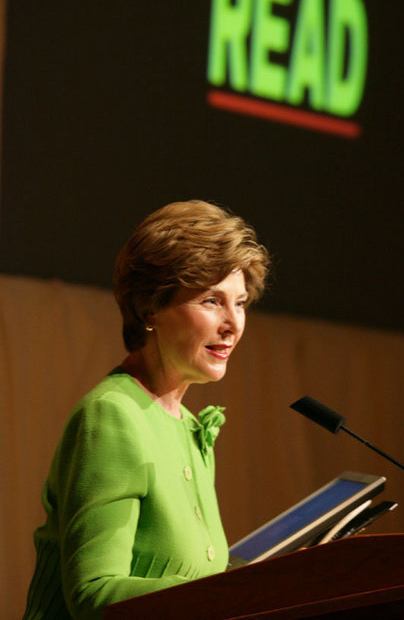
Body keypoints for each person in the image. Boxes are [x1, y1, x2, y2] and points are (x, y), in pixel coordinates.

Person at [23, 200, 270, 620]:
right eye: (212, 301)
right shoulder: (112, 416)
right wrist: (231, 592)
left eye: (240, 302)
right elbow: (94, 594)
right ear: (149, 307)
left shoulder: (188, 424)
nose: (233, 323)